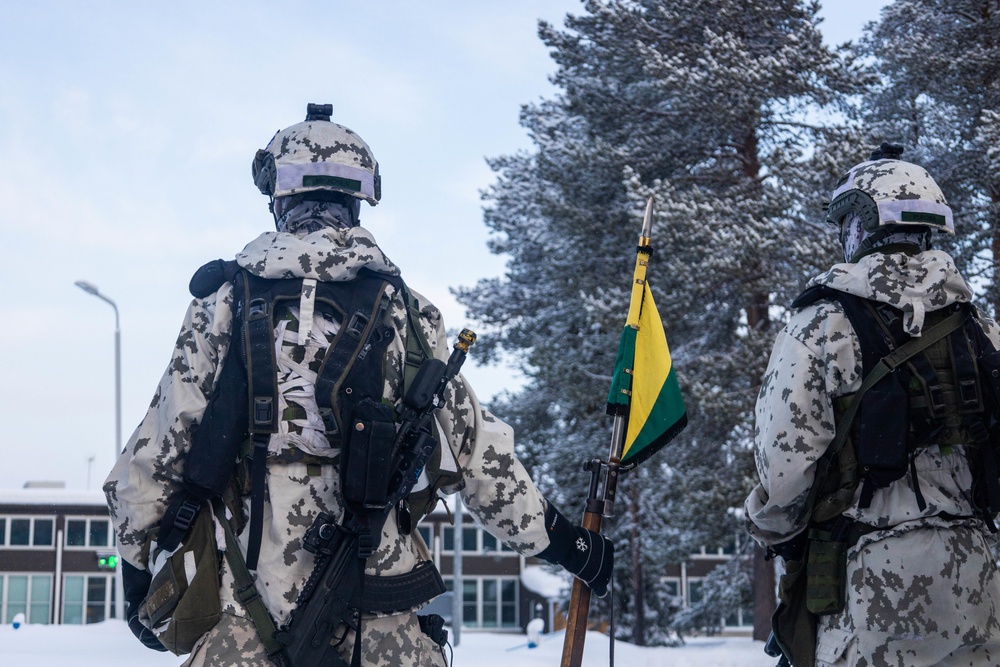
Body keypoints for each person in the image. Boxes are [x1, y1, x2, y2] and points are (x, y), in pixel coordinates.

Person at [104, 103, 613, 667]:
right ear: (358, 200)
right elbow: (478, 460)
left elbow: (156, 454)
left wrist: (135, 570)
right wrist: (567, 544)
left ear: (279, 199)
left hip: (239, 608)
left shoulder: (220, 303)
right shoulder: (408, 313)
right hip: (379, 607)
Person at [745, 144, 1000, 667]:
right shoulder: (983, 330)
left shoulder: (821, 326)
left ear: (860, 227)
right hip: (981, 584)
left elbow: (786, 471)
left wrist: (773, 530)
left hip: (871, 585)